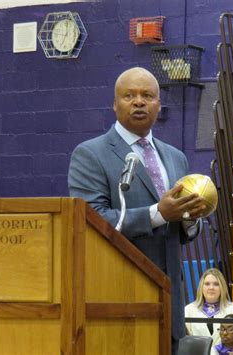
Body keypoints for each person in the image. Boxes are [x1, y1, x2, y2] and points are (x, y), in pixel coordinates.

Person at [68, 67, 207, 354]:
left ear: (159, 104)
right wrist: (157, 213)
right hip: (119, 295)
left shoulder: (175, 157)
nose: (139, 102)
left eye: (147, 95)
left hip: (170, 300)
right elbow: (90, 221)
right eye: (129, 95)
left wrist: (190, 219)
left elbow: (179, 229)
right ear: (115, 104)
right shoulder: (91, 154)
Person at [185, 268, 233, 348]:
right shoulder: (188, 310)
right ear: (201, 287)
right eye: (207, 284)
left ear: (222, 287)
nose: (211, 288)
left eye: (216, 284)